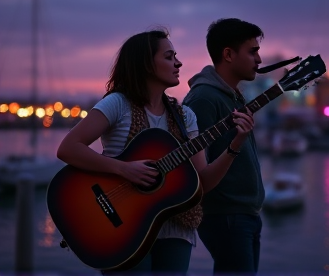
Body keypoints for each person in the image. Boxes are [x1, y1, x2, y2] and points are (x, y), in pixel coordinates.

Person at [56, 27, 255, 274]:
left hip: (176, 230)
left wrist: (234, 145)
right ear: (147, 64)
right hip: (122, 229)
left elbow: (201, 182)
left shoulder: (185, 116)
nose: (178, 62)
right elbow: (68, 148)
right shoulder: (118, 104)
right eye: (169, 57)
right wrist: (124, 169)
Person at [183, 18, 265, 275]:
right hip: (226, 215)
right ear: (228, 54)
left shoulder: (232, 95)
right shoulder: (203, 99)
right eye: (252, 51)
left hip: (245, 213)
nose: (259, 60)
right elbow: (194, 169)